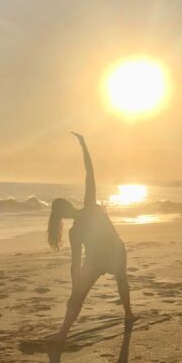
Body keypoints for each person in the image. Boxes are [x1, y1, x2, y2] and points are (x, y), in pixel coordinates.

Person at [45, 132, 134, 344]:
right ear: (63, 214)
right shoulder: (76, 229)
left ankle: (129, 314)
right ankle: (63, 332)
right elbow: (75, 264)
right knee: (79, 296)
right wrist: (76, 285)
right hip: (99, 258)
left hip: (114, 251)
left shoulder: (89, 207)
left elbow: (89, 173)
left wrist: (84, 147)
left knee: (121, 280)